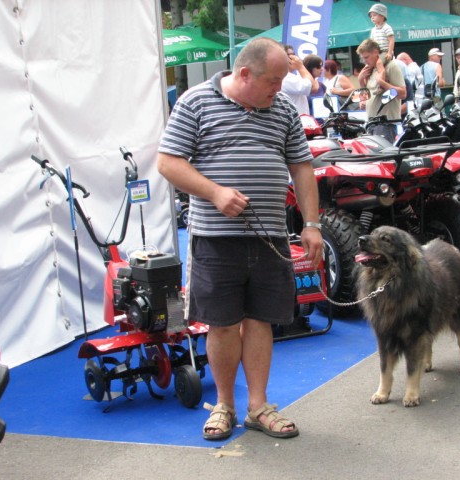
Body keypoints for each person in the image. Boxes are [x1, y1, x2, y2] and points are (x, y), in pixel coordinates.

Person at [157, 37, 323, 439]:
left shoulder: (282, 109)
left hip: (270, 237)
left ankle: (258, 406)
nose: (280, 89)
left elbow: (302, 167)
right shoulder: (195, 102)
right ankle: (225, 406)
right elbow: (167, 162)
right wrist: (215, 192)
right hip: (216, 239)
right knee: (223, 324)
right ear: (244, 74)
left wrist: (312, 224)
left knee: (261, 321)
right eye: (274, 80)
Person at [357, 39, 406, 143]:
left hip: (386, 123)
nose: (365, 61)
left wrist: (382, 83)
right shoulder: (370, 69)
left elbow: (403, 93)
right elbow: (366, 96)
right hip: (371, 122)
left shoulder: (391, 66)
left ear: (376, 52)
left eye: (367, 57)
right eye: (363, 58)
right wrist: (361, 80)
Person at [281, 44, 319, 114]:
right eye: (289, 55)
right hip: (296, 121)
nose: (294, 58)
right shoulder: (286, 78)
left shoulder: (292, 76)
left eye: (293, 54)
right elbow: (313, 87)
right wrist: (300, 66)